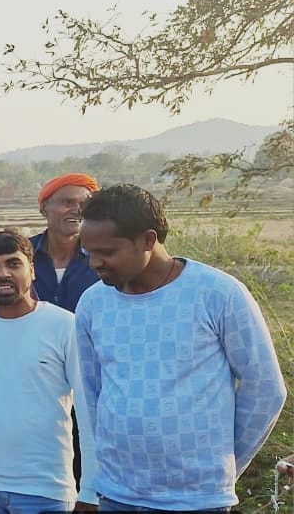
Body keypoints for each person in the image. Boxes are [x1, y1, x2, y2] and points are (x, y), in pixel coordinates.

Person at [76, 184, 287, 512]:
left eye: (107, 252)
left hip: (197, 499)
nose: (94, 263)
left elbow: (265, 390)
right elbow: (93, 393)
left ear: (148, 240)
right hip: (117, 493)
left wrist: (222, 468)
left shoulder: (218, 294)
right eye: (88, 252)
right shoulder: (93, 303)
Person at [0, 231, 97, 514]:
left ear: (32, 270)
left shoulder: (63, 325)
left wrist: (90, 488)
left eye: (13, 264)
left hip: (47, 489)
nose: (3, 274)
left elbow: (88, 411)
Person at [30, 173, 100, 312]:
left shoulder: (102, 256)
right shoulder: (23, 254)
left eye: (84, 204)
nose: (77, 211)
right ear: (44, 208)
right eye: (68, 202)